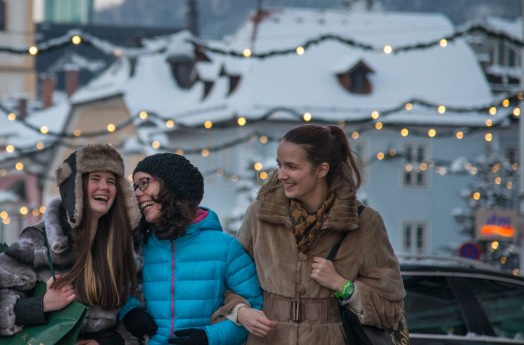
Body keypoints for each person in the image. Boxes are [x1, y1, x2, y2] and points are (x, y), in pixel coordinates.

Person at [224, 124, 405, 344]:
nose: (280, 175)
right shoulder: (260, 215)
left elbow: (390, 308)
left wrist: (342, 285)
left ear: (321, 169)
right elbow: (229, 281)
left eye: (291, 166)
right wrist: (241, 312)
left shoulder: (365, 223)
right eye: (279, 165)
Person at [0, 143, 145, 344]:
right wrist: (43, 304)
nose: (104, 186)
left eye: (111, 181)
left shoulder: (125, 245)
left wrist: (105, 343)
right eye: (95, 178)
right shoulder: (38, 240)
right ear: (76, 187)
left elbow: (134, 316)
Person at [118, 152, 264, 345]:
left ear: (172, 186)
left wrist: (209, 337)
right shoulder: (139, 244)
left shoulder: (225, 247)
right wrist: (129, 310)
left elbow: (256, 308)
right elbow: (114, 286)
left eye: (144, 183)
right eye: (135, 186)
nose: (136, 193)